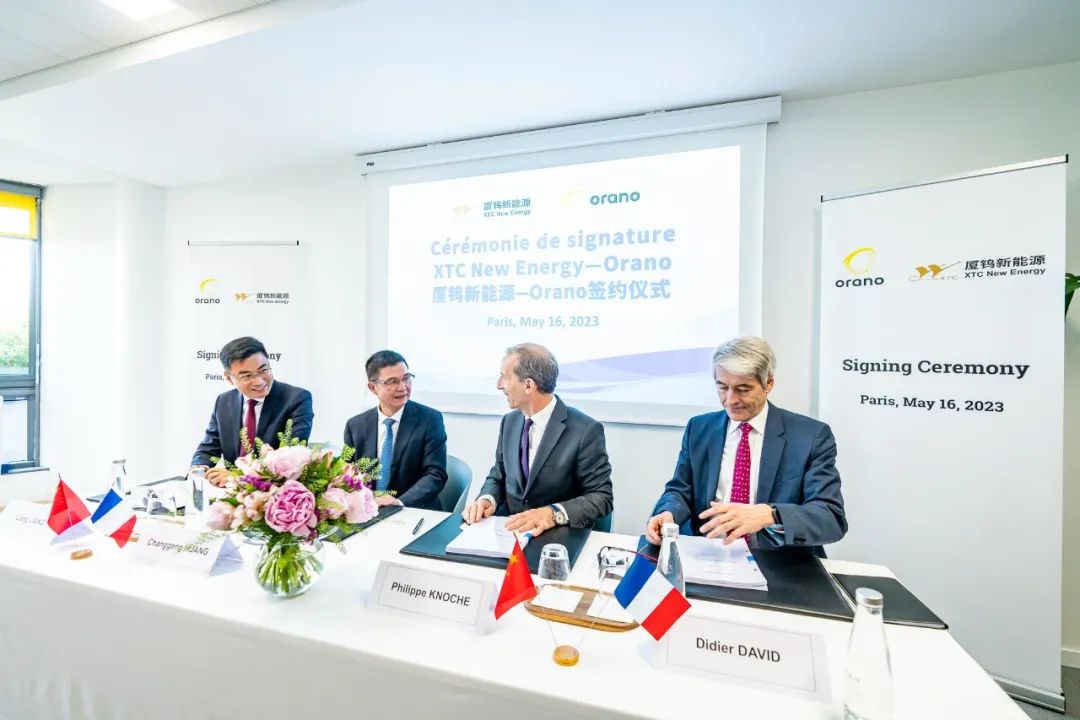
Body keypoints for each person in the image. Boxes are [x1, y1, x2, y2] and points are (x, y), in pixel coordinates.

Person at [645, 336, 846, 552]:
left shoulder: (810, 436)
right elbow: (680, 490)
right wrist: (668, 513)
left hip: (777, 559)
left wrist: (770, 514)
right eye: (722, 387)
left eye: (743, 389)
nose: (731, 400)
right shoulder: (699, 428)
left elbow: (830, 517)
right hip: (708, 552)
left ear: (768, 383)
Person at [462, 343, 613, 535]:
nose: (499, 385)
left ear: (528, 385)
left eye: (505, 377)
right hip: (509, 533)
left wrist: (552, 513)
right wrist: (487, 499)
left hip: (559, 537)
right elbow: (499, 474)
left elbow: (601, 497)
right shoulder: (509, 422)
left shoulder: (586, 430)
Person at [191, 336, 313, 487]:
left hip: (275, 491)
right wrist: (199, 467)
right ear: (228, 378)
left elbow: (291, 457)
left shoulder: (297, 399)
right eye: (247, 376)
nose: (259, 381)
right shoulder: (224, 401)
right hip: (231, 493)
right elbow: (209, 448)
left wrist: (239, 476)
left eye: (263, 370)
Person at [343, 350, 448, 509]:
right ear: (373, 388)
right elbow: (347, 474)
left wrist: (398, 502)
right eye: (392, 382)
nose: (403, 387)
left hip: (413, 509)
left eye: (406, 378)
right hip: (369, 511)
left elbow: (435, 475)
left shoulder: (430, 420)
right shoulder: (355, 426)